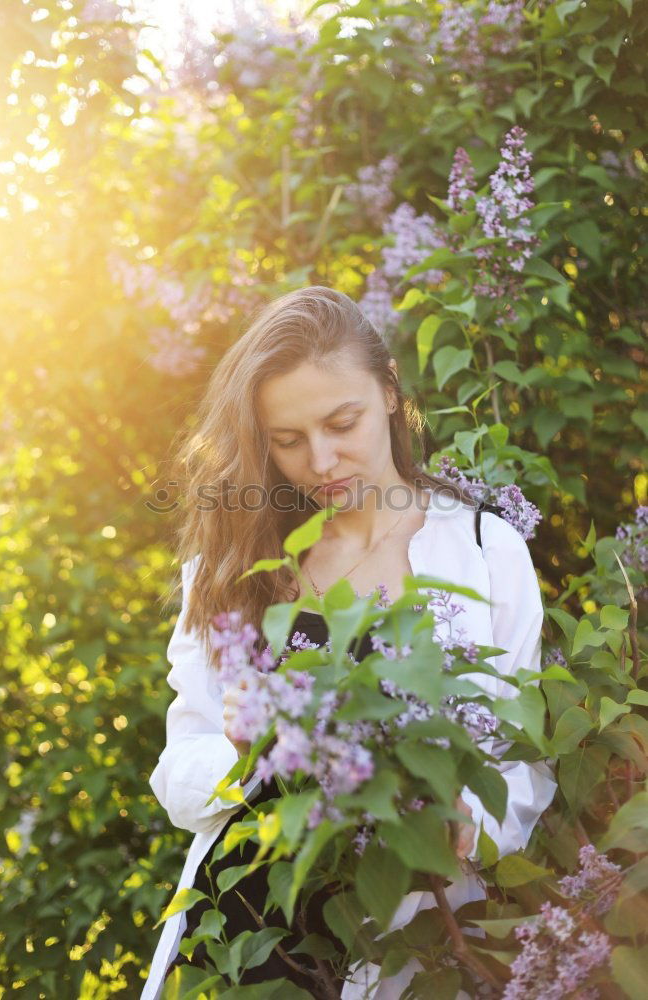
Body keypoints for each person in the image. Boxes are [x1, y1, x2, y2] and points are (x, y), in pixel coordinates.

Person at [140, 286, 557, 1000]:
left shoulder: (484, 550)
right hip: (244, 946)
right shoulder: (234, 565)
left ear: (389, 391)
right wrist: (243, 754)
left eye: (343, 423)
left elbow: (526, 765)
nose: (322, 461)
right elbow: (179, 774)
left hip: (411, 940)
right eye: (288, 440)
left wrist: (467, 820)